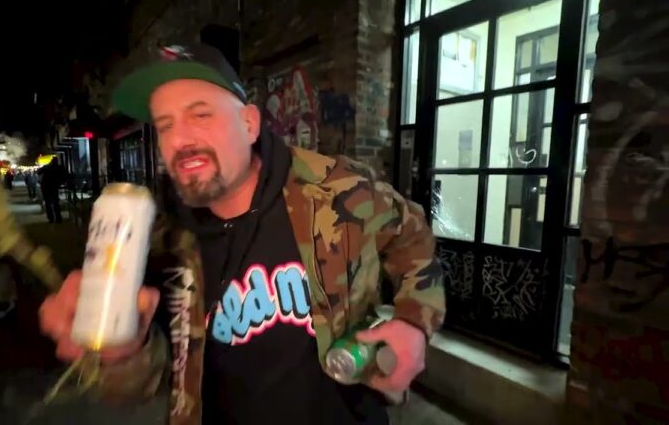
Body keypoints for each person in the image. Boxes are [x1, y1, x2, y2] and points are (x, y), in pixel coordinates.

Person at [39, 43, 445, 424]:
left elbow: (412, 238)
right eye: (165, 125)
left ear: (249, 123)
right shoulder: (156, 241)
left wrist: (414, 321)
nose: (180, 140)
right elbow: (143, 385)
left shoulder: (335, 191)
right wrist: (121, 351)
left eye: (200, 115)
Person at [38, 158, 66, 223]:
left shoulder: (47, 167)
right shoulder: (59, 167)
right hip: (54, 186)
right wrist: (61, 182)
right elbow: (65, 175)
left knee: (48, 203)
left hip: (46, 187)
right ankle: (58, 217)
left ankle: (51, 218)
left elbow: (39, 172)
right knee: (56, 202)